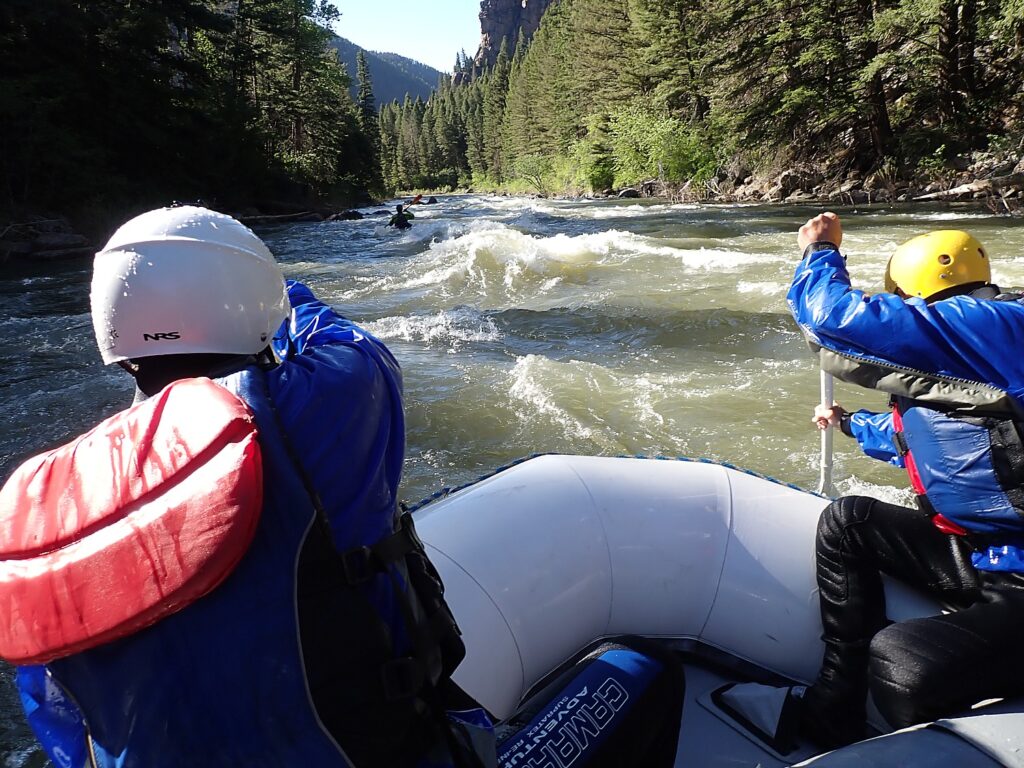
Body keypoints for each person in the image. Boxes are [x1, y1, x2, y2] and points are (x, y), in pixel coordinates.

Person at [0, 205, 480, 767]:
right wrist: (281, 292)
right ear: (251, 305)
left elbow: (56, 714)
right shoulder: (321, 399)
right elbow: (350, 342)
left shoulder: (36, 501)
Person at [778, 211, 1024, 749]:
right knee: (849, 521)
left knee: (901, 667)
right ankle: (835, 705)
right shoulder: (981, 350)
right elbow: (946, 440)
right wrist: (848, 425)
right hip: (984, 554)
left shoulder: (993, 323)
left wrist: (820, 252)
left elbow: (833, 319)